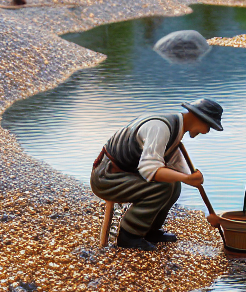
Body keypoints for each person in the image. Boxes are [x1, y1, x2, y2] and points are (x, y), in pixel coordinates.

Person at [91, 97, 224, 250]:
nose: (206, 131)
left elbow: (175, 165)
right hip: (106, 178)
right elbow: (150, 170)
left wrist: (192, 181)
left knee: (174, 184)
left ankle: (149, 230)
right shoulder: (161, 128)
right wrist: (188, 178)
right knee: (163, 187)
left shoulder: (174, 128)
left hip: (124, 174)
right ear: (198, 118)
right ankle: (129, 235)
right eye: (208, 126)